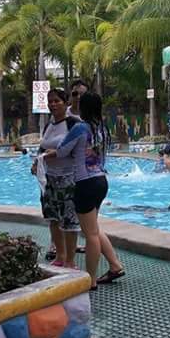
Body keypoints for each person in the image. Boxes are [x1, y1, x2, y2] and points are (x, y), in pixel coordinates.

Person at [46, 92, 124, 288]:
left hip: (85, 183)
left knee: (90, 235)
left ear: (84, 108)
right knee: (93, 229)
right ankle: (114, 266)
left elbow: (62, 150)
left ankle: (91, 279)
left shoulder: (80, 128)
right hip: (101, 181)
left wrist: (46, 155)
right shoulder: (102, 129)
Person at [31, 88, 80, 267]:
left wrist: (56, 153)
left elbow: (81, 149)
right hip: (49, 179)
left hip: (68, 179)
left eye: (57, 101)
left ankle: (70, 261)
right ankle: (60, 256)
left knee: (69, 220)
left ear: (66, 103)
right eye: (50, 101)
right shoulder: (48, 125)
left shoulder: (74, 124)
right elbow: (42, 148)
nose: (53, 104)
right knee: (52, 218)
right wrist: (36, 163)